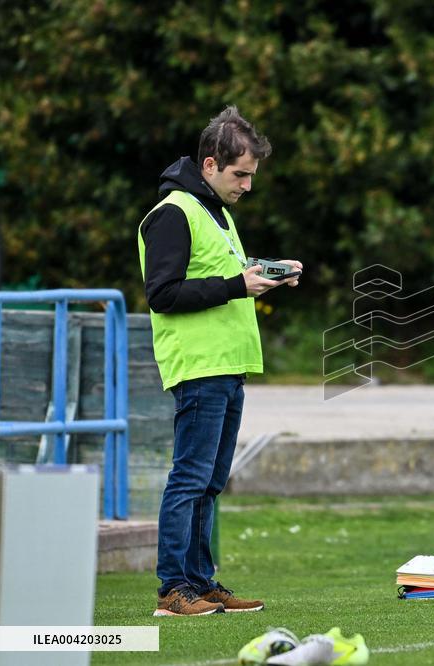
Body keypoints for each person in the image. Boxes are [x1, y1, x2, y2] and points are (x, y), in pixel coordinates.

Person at [138, 106, 303, 616]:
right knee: (189, 478)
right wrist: (239, 284)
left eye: (251, 175)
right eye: (241, 174)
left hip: (228, 366)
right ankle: (172, 589)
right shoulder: (172, 212)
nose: (248, 186)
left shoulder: (217, 212)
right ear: (210, 164)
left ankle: (201, 581)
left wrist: (263, 276)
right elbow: (161, 293)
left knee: (210, 482)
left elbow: (221, 281)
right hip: (198, 366)